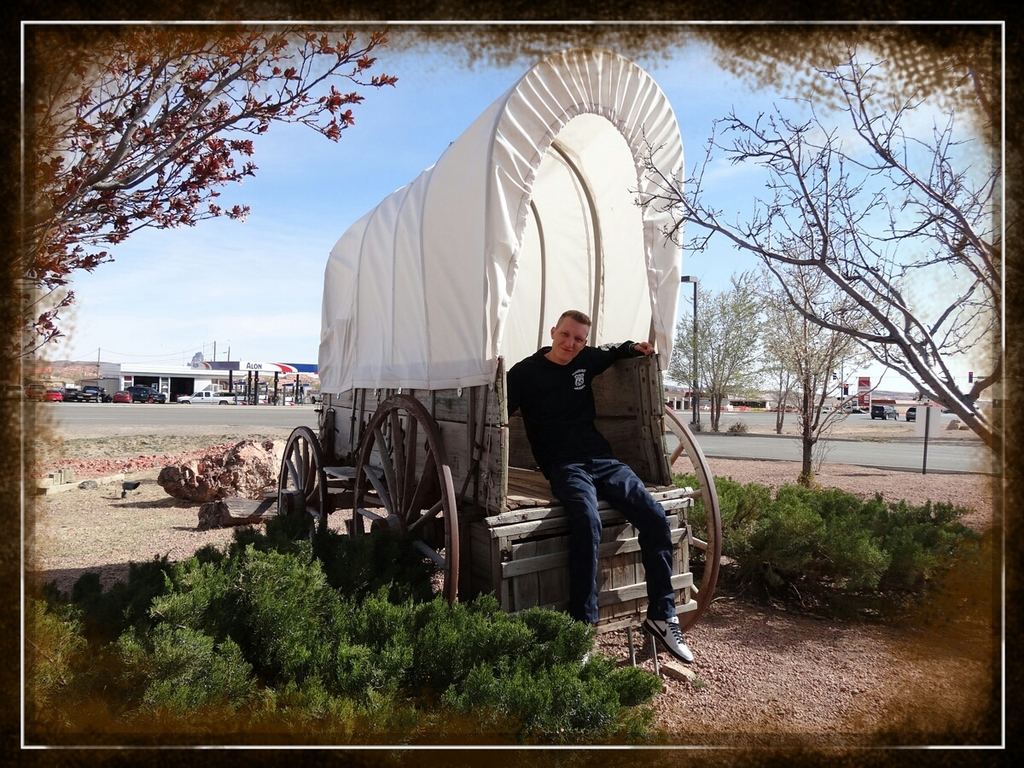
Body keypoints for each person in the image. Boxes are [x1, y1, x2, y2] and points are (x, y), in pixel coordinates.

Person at [506, 309, 693, 664]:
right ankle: (582, 627)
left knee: (653, 516)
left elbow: (613, 351)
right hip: (563, 465)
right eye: (565, 335)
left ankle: (661, 615)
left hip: (601, 459)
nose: (570, 344)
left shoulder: (586, 360)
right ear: (552, 332)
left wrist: (633, 348)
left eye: (578, 339)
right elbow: (496, 413)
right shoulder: (526, 373)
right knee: (586, 521)